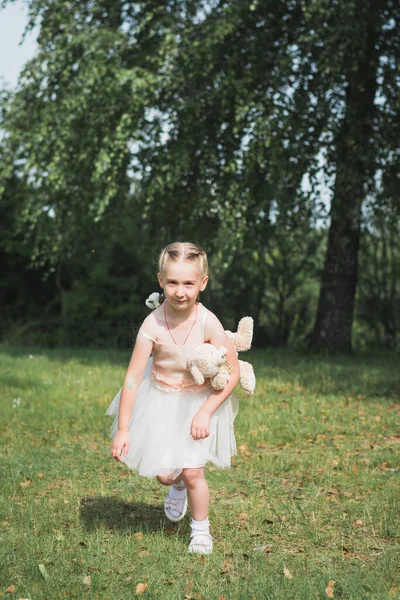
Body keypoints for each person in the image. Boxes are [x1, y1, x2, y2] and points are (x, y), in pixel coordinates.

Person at [106, 242, 240, 555]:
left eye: (189, 283)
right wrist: (124, 429)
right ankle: (176, 484)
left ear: (203, 283)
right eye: (173, 282)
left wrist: (206, 412)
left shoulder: (208, 322)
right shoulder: (152, 325)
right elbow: (132, 378)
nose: (180, 291)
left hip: (197, 403)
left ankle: (200, 532)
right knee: (167, 475)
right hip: (161, 399)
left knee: (194, 471)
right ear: (160, 280)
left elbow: (232, 372)